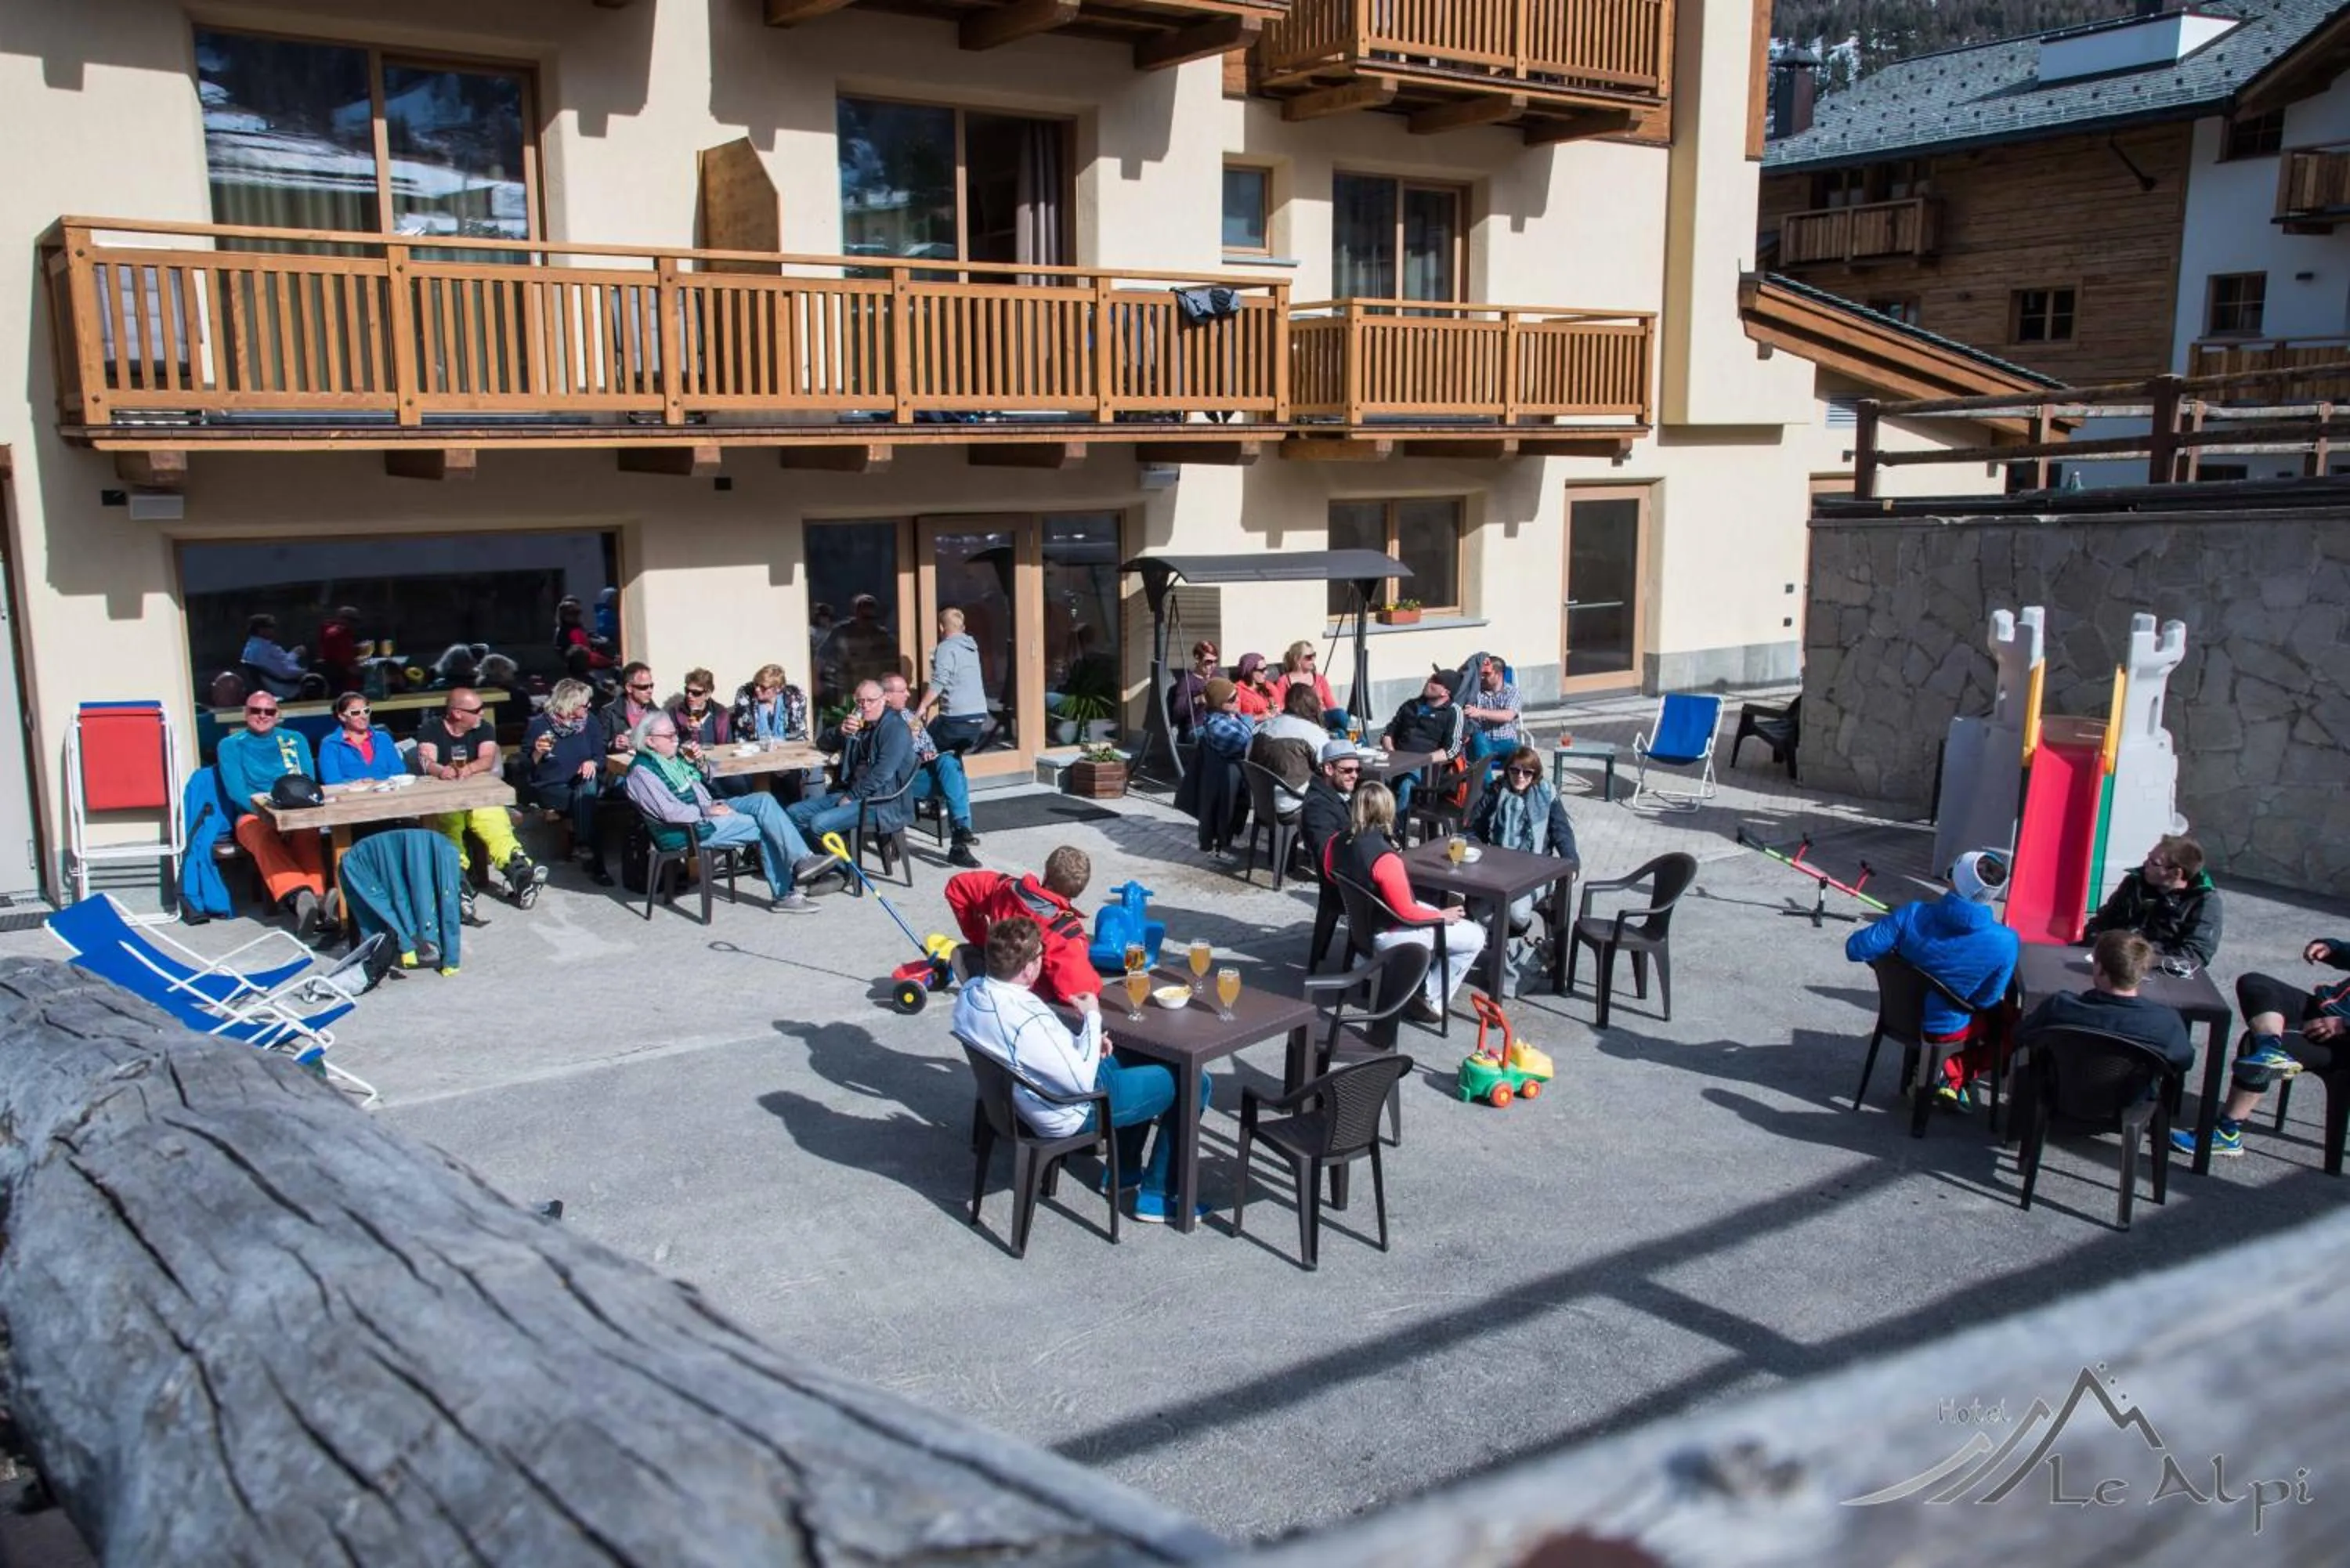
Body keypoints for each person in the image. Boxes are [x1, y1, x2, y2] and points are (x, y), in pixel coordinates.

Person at [952, 914, 1209, 1224]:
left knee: (1141, 1054)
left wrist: (1086, 1042)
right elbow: (1082, 1082)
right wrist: (1091, 1017)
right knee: (1195, 1080)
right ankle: (1157, 1194)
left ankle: (1123, 1171)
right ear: (1029, 967)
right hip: (1071, 1108)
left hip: (1029, 1095)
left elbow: (1044, 1052)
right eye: (1039, 956)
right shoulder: (1028, 1018)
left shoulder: (971, 993)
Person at [1844, 850, 2020, 1108]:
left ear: (1953, 881)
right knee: (2022, 1027)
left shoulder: (1913, 914)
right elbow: (1987, 1000)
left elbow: (1856, 948)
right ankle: (1954, 1072)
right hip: (1949, 1026)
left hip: (1900, 1015)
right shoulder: (2006, 941)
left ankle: (1941, 1071)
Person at [623, 712, 827, 912]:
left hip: (708, 809)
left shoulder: (671, 760)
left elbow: (713, 775)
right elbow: (669, 812)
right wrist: (707, 810)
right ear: (650, 741)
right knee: (765, 826)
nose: (676, 740)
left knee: (763, 800)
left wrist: (701, 762)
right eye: (669, 736)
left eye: (675, 733)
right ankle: (784, 895)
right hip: (688, 829)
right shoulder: (642, 773)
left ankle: (803, 859)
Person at [2173, 934, 2350, 1158]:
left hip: (2341, 1043)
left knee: (2251, 1043)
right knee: (2255, 983)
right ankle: (2270, 1047)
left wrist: (2343, 1025)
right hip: (2328, 1008)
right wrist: (2331, 947)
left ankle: (2227, 1132)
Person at [1329, 781, 1483, 1022]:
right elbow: (1407, 912)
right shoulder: (1385, 858)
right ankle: (1430, 999)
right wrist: (1443, 916)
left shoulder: (1337, 842)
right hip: (1390, 932)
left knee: (1431, 906)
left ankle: (1398, 976)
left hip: (1362, 927)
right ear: (1388, 811)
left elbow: (1331, 873)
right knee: (1476, 936)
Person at [414, 687, 546, 911]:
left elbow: (487, 759)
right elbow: (426, 760)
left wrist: (470, 768)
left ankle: (521, 874)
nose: (482, 713)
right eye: (476, 710)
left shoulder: (483, 728)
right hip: (446, 795)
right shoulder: (432, 728)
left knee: (493, 820)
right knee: (450, 824)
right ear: (457, 713)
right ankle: (457, 881)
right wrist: (440, 770)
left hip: (478, 793)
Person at [213, 690, 331, 941]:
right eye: (256, 710)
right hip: (253, 813)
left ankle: (318, 902)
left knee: (308, 834)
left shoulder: (293, 739)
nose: (262, 716)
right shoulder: (232, 745)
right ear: (246, 713)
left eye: (269, 711)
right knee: (263, 836)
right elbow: (237, 792)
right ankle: (300, 896)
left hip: (294, 809)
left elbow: (307, 780)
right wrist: (273, 816)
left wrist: (290, 814)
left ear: (278, 715)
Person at [1468, 744, 1579, 990]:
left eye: (1527, 773)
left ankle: (1516, 949)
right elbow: (1473, 829)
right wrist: (1478, 850)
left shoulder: (1547, 795)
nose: (1520, 777)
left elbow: (1562, 833)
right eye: (1515, 771)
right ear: (1507, 771)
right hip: (1498, 870)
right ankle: (1517, 952)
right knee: (1482, 912)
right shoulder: (1496, 791)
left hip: (1536, 872)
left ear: (1535, 775)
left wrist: (1571, 863)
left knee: (1517, 914)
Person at [2018, 930, 2191, 1078]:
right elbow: (2183, 1061)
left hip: (2062, 1096)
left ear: (2100, 969)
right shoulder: (2165, 1022)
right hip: (2128, 1107)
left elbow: (2023, 1035)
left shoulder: (2060, 1007)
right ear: (2141, 973)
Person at [944, 847, 1101, 1005]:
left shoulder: (1004, 887)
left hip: (999, 971)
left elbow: (958, 886)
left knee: (963, 953)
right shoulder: (1065, 931)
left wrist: (984, 941)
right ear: (1079, 891)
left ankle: (986, 991)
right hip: (1030, 999)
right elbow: (1080, 992)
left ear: (1046, 873)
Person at [789, 680, 917, 847]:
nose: (865, 706)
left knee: (818, 824)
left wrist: (851, 797)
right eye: (860, 701)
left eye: (870, 701)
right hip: (850, 792)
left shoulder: (895, 728)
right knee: (794, 813)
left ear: (884, 699)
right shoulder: (860, 725)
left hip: (880, 802)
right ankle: (818, 861)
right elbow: (822, 743)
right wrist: (840, 731)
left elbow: (882, 774)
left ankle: (845, 868)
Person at [882, 671, 980, 867]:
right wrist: (910, 742)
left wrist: (928, 752)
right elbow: (888, 759)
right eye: (903, 691)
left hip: (920, 772)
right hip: (899, 781)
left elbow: (928, 743)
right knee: (956, 779)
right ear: (886, 696)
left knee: (949, 763)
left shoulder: (909, 715)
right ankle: (959, 842)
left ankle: (961, 832)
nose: (908, 695)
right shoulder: (879, 721)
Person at [523, 677, 613, 887]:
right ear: (569, 705)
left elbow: (601, 757)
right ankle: (595, 864)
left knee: (587, 790)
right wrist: (538, 752)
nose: (589, 707)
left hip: (582, 783)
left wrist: (592, 762)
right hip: (552, 786)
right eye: (584, 704)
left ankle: (583, 844)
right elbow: (526, 766)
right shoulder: (540, 726)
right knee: (587, 803)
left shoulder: (589, 722)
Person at [2083, 835, 2222, 968]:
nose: (2145, 865)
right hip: (2111, 959)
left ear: (2175, 874)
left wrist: (2136, 957)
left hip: (2159, 971)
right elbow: (2103, 921)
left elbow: (2196, 955)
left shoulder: (2204, 902)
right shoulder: (2135, 883)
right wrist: (2095, 940)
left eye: (2154, 863)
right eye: (2148, 858)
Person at [1301, 740, 1361, 970]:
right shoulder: (1318, 807)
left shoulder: (1338, 796)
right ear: (1328, 769)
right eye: (1347, 770)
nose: (1354, 776)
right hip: (1346, 887)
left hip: (1353, 879)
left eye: (1357, 770)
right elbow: (1328, 852)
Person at [1379, 669, 1466, 816]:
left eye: (1436, 682)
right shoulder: (1410, 705)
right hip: (1395, 760)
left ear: (1445, 692)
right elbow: (1388, 732)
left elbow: (1452, 750)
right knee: (1368, 780)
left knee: (1405, 786)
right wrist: (1392, 752)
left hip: (1426, 768)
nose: (1429, 682)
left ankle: (1397, 830)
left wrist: (1421, 760)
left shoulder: (1453, 712)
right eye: (1431, 678)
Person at [916, 607, 990, 755]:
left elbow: (939, 681)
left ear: (941, 627)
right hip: (978, 717)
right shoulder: (971, 648)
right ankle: (955, 777)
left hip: (957, 717)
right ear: (963, 628)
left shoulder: (946, 647)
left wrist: (923, 706)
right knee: (953, 755)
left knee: (924, 746)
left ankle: (922, 777)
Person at [668, 667, 749, 800]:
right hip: (687, 763)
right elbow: (669, 744)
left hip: (716, 761)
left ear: (707, 694)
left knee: (740, 781)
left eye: (696, 693)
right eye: (687, 691)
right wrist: (686, 731)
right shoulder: (676, 712)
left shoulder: (719, 712)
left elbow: (726, 745)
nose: (689, 696)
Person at [1253, 683, 1328, 815]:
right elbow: (1329, 767)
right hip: (1295, 801)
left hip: (1262, 801)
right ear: (1313, 706)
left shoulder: (1262, 728)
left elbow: (1247, 759)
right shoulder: (1313, 733)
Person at [816, 593, 898, 699]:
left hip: (876, 692)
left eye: (871, 617)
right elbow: (821, 658)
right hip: (847, 690)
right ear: (855, 613)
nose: (867, 620)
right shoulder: (840, 633)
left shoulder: (883, 636)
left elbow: (895, 661)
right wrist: (817, 683)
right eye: (864, 615)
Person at [316, 692, 403, 785]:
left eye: (366, 711)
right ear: (342, 717)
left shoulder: (383, 738)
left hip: (387, 791)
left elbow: (399, 772)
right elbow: (332, 781)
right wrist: (358, 783)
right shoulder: (330, 744)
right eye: (355, 713)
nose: (363, 717)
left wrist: (375, 781)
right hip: (349, 796)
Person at [1461, 656, 1522, 764]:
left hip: (1507, 742)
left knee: (1527, 756)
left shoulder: (1512, 692)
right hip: (1482, 741)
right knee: (1480, 745)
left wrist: (1479, 712)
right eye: (1481, 674)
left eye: (1486, 674)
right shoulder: (1475, 692)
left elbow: (1508, 716)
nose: (1482, 678)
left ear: (1499, 675)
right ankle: (1488, 782)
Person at [731, 663, 809, 747]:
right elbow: (742, 736)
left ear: (778, 688)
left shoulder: (793, 700)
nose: (757, 689)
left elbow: (799, 736)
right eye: (756, 684)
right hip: (755, 752)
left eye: (763, 687)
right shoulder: (747, 700)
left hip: (787, 751)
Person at [1272, 641, 1343, 732]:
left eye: (1314, 655)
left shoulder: (1320, 679)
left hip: (1321, 718)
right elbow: (1280, 707)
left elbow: (1331, 706)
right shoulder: (1284, 681)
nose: (1313, 660)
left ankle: (1361, 742)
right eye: (1309, 657)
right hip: (1299, 720)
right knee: (1339, 716)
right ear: (1297, 659)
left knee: (1340, 729)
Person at [240, 614, 308, 699]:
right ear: (261, 630)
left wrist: (295, 654)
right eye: (271, 626)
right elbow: (285, 673)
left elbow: (282, 664)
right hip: (289, 689)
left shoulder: (252, 647)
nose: (274, 630)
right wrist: (306, 672)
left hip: (282, 685)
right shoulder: (261, 649)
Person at [599, 662, 659, 756]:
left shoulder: (657, 714)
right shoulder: (609, 712)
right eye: (644, 687)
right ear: (629, 688)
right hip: (621, 768)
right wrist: (613, 745)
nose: (650, 691)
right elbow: (599, 747)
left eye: (651, 686)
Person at [1168, 641, 1220, 740]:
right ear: (1197, 659)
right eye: (1209, 662)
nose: (1213, 666)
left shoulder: (1217, 676)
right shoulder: (1187, 682)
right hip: (1198, 727)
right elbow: (1177, 714)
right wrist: (1196, 701)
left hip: (1218, 723)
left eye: (1215, 661)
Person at [554, 596, 614, 671]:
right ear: (564, 615)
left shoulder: (572, 628)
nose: (577, 616)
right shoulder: (572, 632)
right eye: (573, 613)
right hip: (583, 670)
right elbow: (587, 655)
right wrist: (611, 662)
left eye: (578, 612)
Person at [316, 605, 362, 694]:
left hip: (339, 677)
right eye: (353, 620)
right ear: (343, 619)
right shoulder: (339, 635)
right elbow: (348, 665)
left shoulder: (334, 632)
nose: (355, 625)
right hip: (344, 683)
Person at [1231, 652, 1274, 719]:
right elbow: (1236, 718)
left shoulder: (1269, 686)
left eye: (1266, 669)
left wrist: (1275, 709)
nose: (1266, 673)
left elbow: (1280, 707)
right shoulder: (1238, 691)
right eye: (1262, 670)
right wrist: (1259, 717)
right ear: (1250, 672)